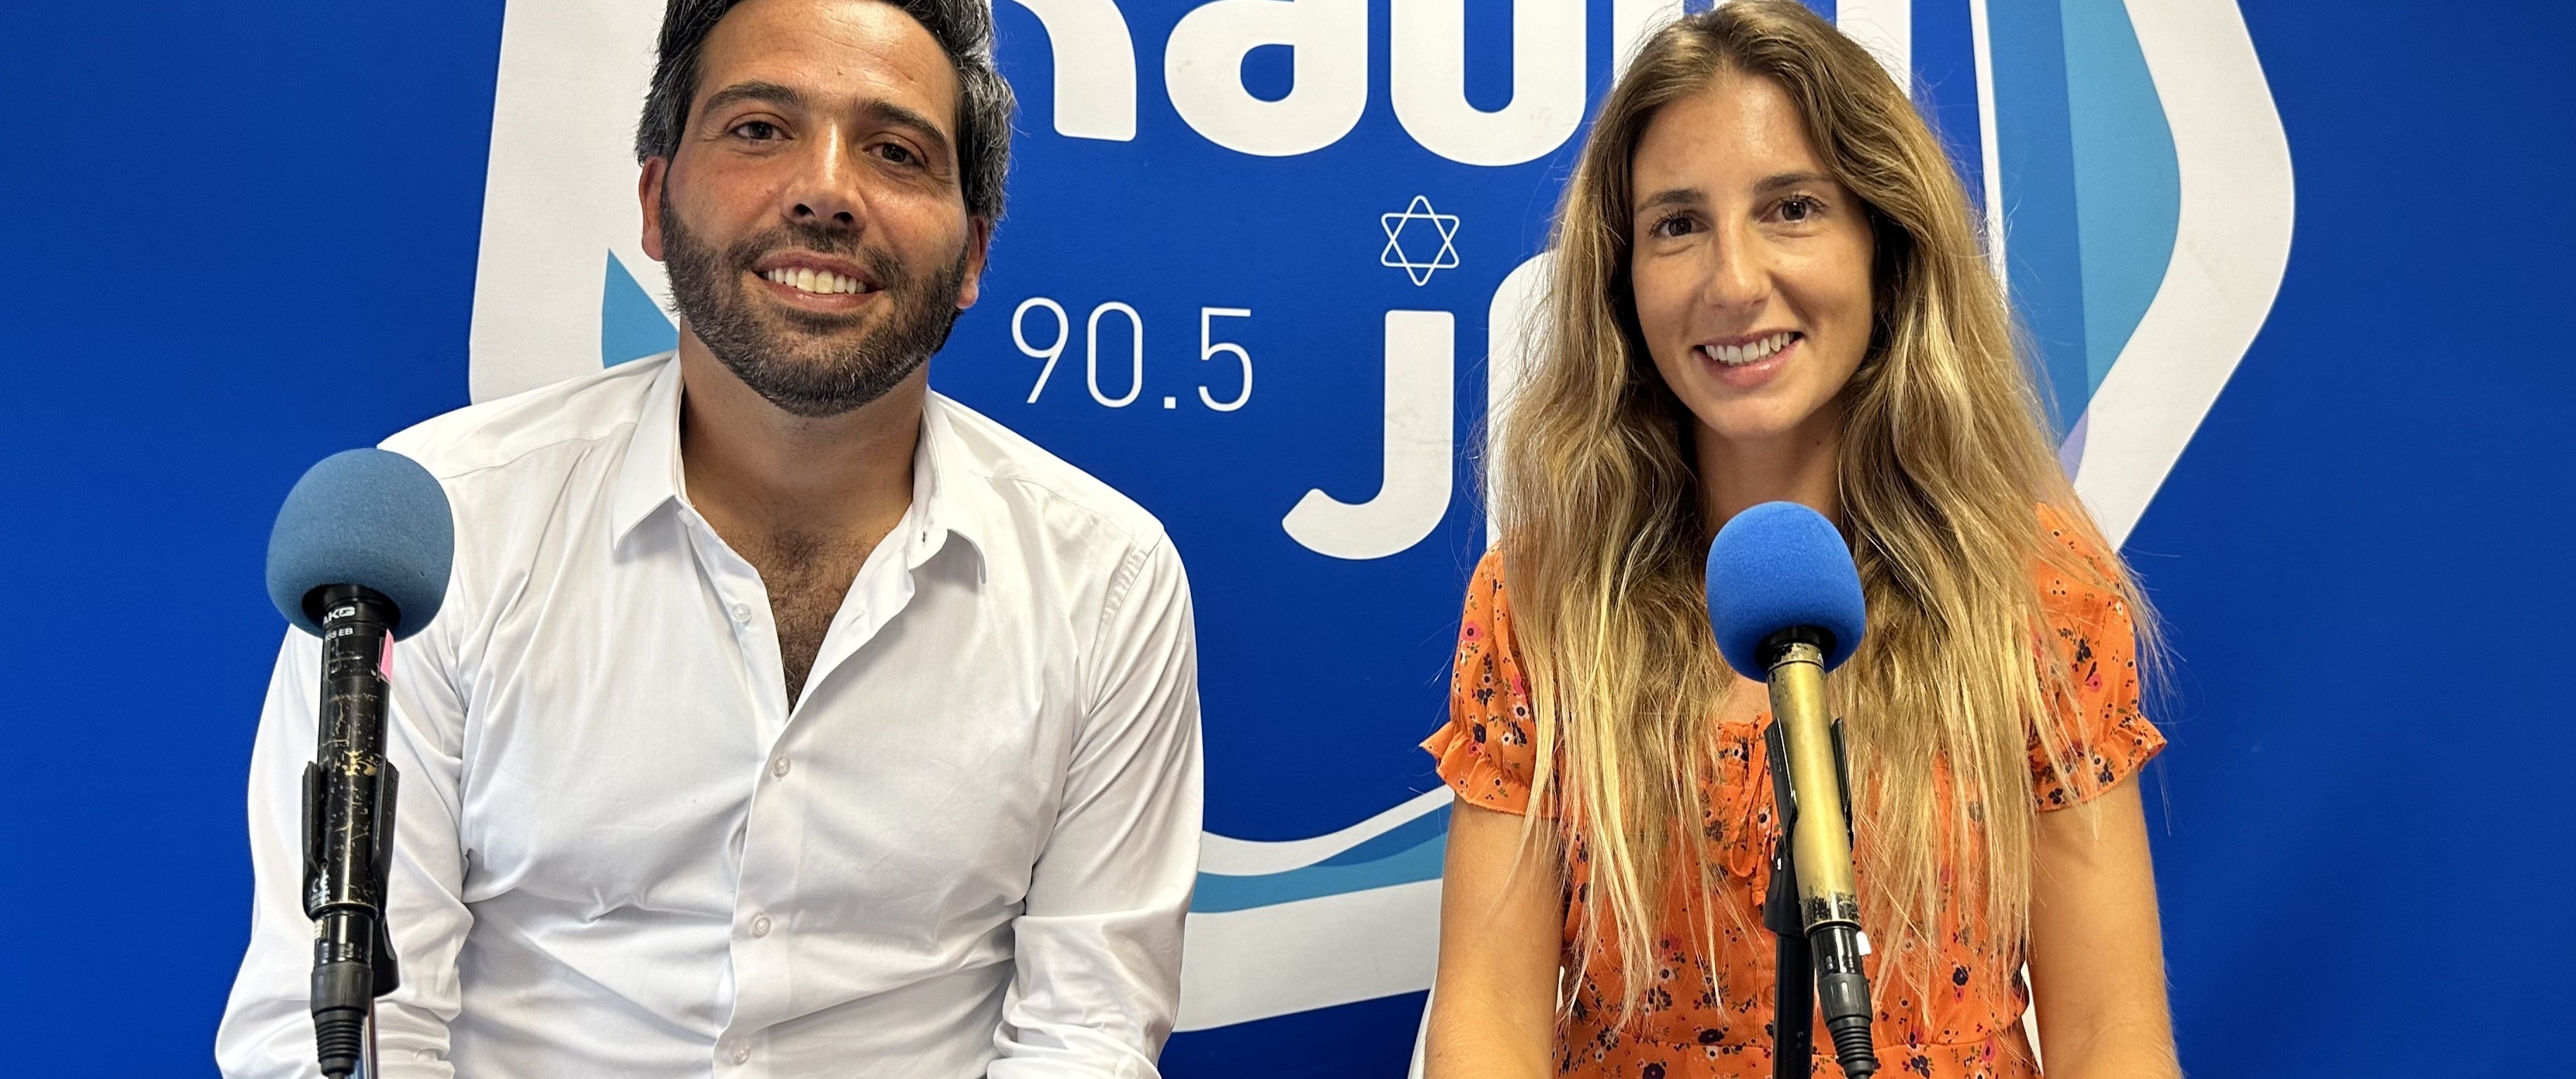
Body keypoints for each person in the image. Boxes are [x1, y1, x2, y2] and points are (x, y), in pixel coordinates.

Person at [215, 0, 1202, 1074]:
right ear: (655, 201)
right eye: (759, 129)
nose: (825, 190)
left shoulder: (1107, 578)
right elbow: (341, 1027)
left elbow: (1086, 1032)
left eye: (894, 151)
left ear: (971, 253)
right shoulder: (442, 528)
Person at [1420, 4, 2178, 1078]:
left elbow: (2111, 1035)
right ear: (1620, 278)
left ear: (1884, 245)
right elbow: (1486, 1022)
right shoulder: (1542, 602)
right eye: (1676, 225)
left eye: (1790, 208)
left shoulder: (2037, 594)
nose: (1733, 281)